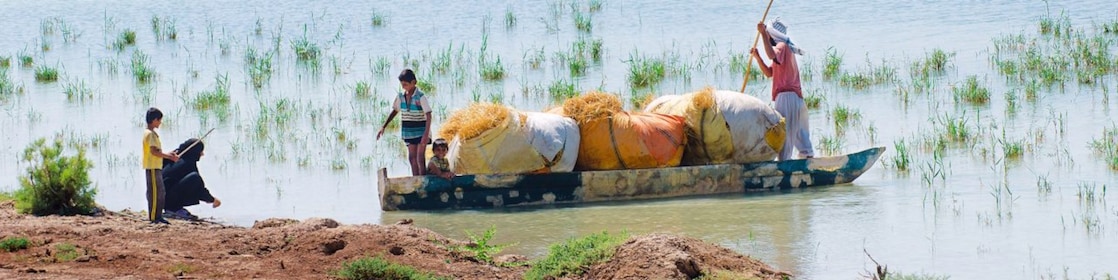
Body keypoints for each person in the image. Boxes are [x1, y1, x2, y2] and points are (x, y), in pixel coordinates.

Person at [750, 18, 815, 160]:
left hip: (786, 97)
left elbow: (771, 55)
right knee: (799, 132)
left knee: (784, 132)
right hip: (796, 98)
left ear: (772, 34)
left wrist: (762, 34)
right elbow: (769, 73)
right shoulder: (785, 50)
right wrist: (758, 58)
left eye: (768, 34)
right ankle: (807, 159)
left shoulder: (782, 46)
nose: (767, 36)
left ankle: (785, 164)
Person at [377, 69, 432, 176]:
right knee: (412, 158)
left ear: (414, 82)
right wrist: (383, 126)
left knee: (420, 158)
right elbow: (395, 111)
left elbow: (429, 115)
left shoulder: (420, 97)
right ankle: (416, 180)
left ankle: (424, 180)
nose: (403, 87)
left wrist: (426, 134)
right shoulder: (401, 97)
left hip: (421, 131)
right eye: (402, 85)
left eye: (406, 84)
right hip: (409, 132)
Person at [162, 138, 222, 220]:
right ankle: (173, 209)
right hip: (167, 200)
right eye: (200, 151)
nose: (202, 154)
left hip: (160, 199)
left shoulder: (171, 158)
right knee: (195, 178)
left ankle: (173, 207)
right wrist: (212, 200)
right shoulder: (188, 163)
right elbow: (199, 187)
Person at [142, 107, 179, 224]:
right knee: (154, 192)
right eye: (159, 120)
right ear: (154, 120)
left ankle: (158, 215)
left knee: (161, 191)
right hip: (152, 167)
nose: (160, 122)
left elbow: (157, 150)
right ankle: (154, 217)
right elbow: (154, 151)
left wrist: (169, 154)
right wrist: (169, 157)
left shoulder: (152, 134)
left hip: (156, 166)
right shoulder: (150, 134)